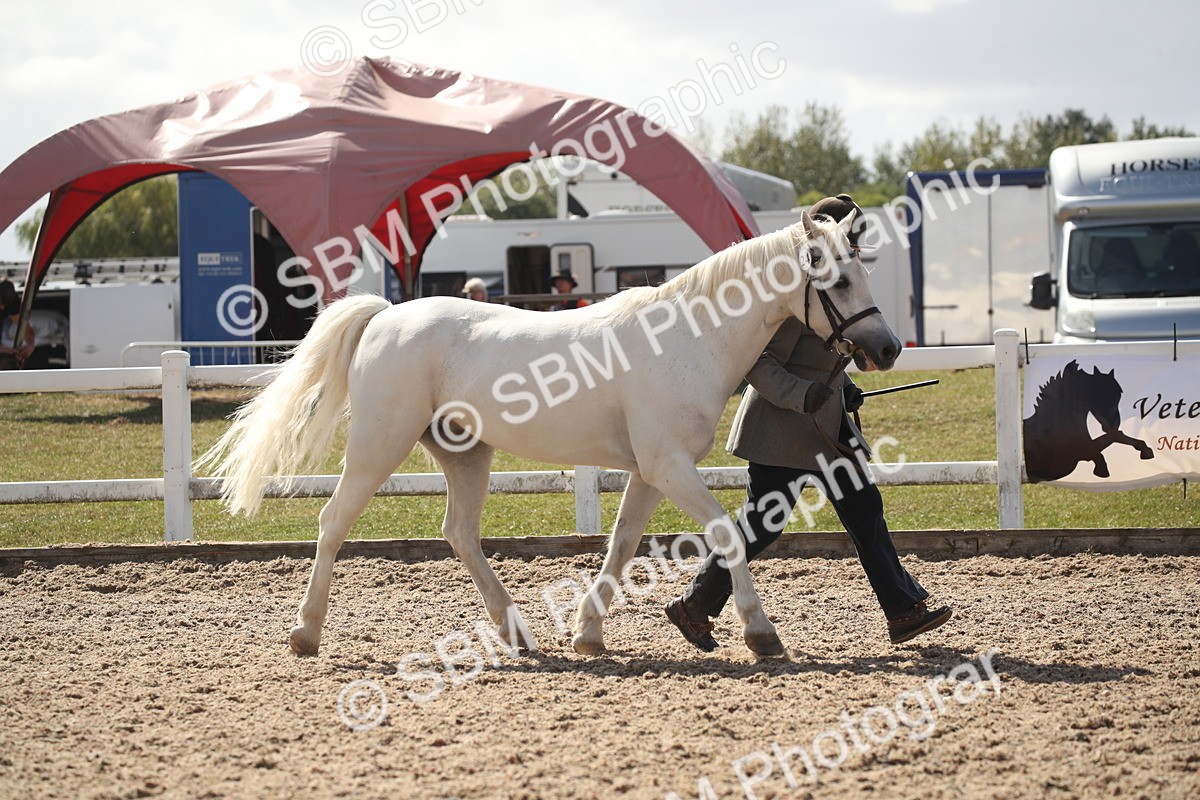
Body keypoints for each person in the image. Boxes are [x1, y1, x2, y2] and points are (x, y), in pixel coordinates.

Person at [665, 194, 951, 652]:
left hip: (827, 426)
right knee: (762, 526)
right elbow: (758, 365)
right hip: (781, 429)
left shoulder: (833, 280)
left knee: (865, 512)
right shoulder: (794, 291)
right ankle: (695, 605)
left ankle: (902, 611)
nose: (851, 246)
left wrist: (842, 388)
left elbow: (828, 352)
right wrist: (804, 394)